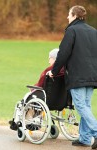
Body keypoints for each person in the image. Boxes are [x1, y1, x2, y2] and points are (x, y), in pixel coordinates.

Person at [48, 5, 97, 149]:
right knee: (85, 106)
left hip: (78, 75)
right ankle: (85, 138)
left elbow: (63, 53)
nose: (67, 17)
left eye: (69, 15)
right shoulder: (94, 31)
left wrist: (54, 71)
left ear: (75, 15)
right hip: (92, 75)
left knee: (81, 106)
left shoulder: (72, 30)